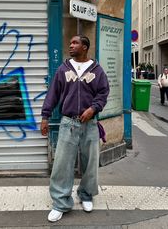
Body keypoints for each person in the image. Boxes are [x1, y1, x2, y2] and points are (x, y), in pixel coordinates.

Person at [41, 35, 109, 222]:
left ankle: (86, 195)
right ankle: (60, 202)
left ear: (85, 47)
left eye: (75, 43)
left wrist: (93, 108)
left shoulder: (97, 71)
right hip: (67, 123)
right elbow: (52, 94)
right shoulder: (63, 69)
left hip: (91, 124)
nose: (70, 46)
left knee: (90, 164)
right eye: (70, 43)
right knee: (62, 164)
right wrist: (45, 116)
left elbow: (103, 93)